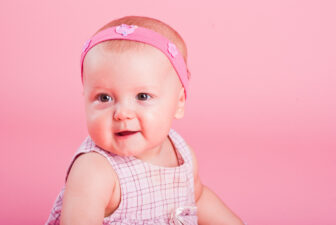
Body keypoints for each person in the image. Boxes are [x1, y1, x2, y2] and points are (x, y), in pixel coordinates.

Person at [46, 16, 245, 225]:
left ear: (179, 103)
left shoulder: (181, 154)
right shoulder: (95, 171)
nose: (122, 113)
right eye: (104, 98)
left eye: (142, 96)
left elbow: (198, 198)